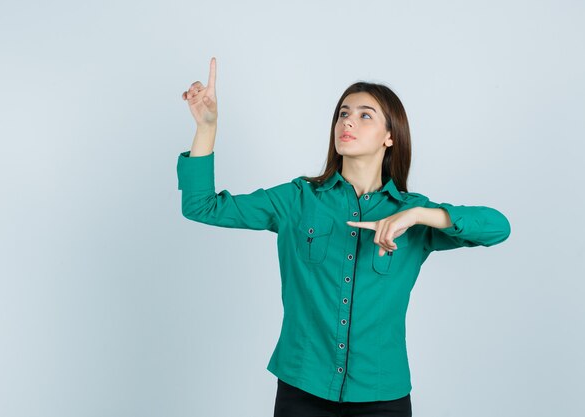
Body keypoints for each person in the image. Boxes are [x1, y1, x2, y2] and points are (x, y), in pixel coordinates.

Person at [177, 57, 511, 417]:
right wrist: (206, 128)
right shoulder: (298, 199)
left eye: (365, 115)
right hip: (302, 389)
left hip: (383, 396)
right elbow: (202, 206)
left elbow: (498, 227)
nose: (347, 120)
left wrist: (417, 215)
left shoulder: (413, 215)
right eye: (343, 113)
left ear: (390, 136)